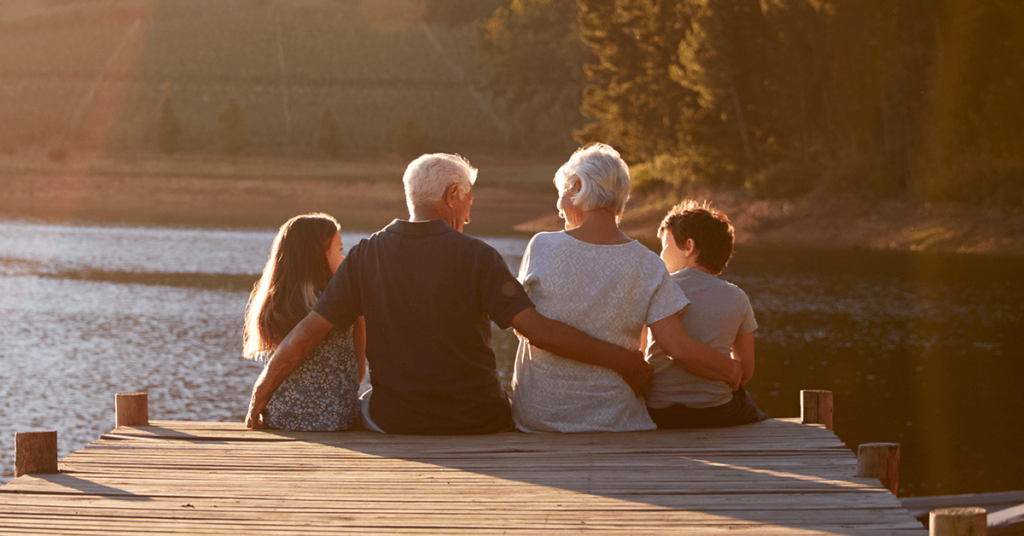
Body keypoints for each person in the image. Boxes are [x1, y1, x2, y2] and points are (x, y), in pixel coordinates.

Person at [245, 153, 651, 435]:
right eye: (469, 201)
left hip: (395, 421)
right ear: (452, 195)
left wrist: (259, 396)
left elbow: (306, 334)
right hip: (478, 419)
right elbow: (536, 330)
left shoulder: (366, 254)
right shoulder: (479, 256)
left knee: (367, 402)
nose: (470, 215)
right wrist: (625, 362)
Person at [511, 144, 742, 433]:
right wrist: (731, 369)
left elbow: (523, 327)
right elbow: (678, 348)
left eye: (562, 194)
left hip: (539, 417)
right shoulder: (648, 263)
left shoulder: (542, 246)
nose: (559, 207)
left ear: (579, 186)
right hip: (615, 419)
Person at [644, 201, 768, 428]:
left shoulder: (656, 289)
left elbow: (643, 355)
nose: (660, 254)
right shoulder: (738, 297)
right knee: (748, 402)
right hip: (716, 411)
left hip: (659, 413)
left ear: (688, 246)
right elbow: (746, 371)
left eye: (664, 245)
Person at [243, 213, 366, 431]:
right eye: (339, 251)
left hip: (283, 416)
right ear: (317, 257)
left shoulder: (275, 304)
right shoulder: (345, 302)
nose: (344, 259)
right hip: (337, 419)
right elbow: (358, 372)